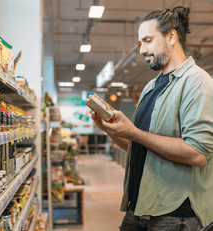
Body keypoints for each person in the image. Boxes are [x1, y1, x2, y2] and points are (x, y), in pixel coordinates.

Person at [91, 6, 213, 231]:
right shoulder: (151, 87)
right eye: (140, 42)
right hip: (140, 208)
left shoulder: (197, 82)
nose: (141, 50)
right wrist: (111, 129)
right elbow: (139, 147)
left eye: (147, 40)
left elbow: (197, 154)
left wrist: (135, 132)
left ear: (171, 36)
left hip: (176, 216)